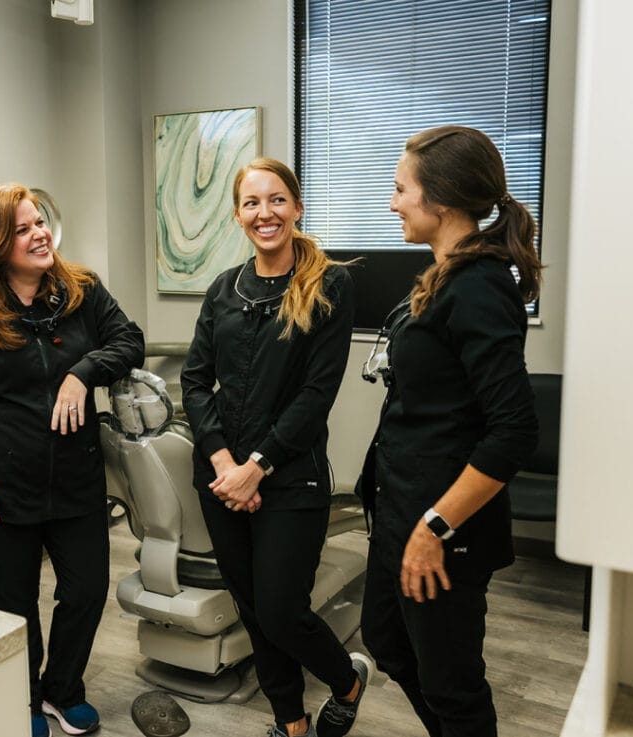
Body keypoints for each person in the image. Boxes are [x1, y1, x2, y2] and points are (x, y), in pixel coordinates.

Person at [0, 183, 144, 737]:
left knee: (87, 589)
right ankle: (21, 699)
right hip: (0, 486)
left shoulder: (81, 289)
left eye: (40, 222)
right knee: (12, 602)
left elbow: (130, 340)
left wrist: (84, 371)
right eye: (23, 228)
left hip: (75, 477)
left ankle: (62, 689)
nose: (40, 233)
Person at [358, 125, 542, 737]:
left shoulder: (480, 286)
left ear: (439, 200)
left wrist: (437, 525)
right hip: (401, 513)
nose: (392, 203)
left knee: (452, 685)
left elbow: (513, 430)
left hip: (441, 528)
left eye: (400, 189)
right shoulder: (443, 276)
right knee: (388, 642)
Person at [181, 157, 371, 737]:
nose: (265, 213)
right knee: (255, 614)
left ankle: (347, 680)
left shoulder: (329, 285)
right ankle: (289, 722)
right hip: (220, 479)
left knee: (283, 611)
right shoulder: (223, 290)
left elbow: (317, 394)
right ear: (238, 216)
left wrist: (257, 468)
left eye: (276, 200)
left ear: (296, 206)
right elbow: (195, 380)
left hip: (290, 478)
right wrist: (223, 464)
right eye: (251, 203)